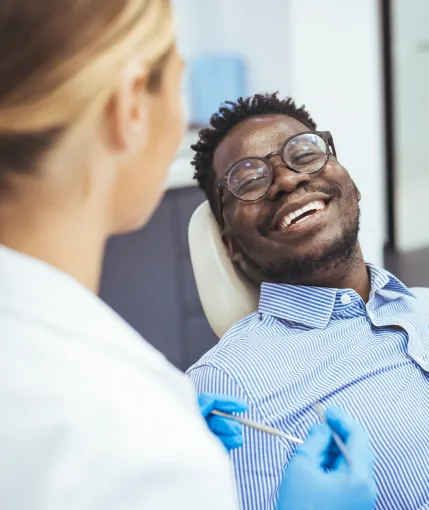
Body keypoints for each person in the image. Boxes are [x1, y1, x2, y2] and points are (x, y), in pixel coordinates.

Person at [0, 1, 374, 508]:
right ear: (131, 106)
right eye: (177, 85)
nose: (288, 178)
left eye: (304, 153)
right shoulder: (148, 446)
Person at [188, 92, 429, 509]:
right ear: (232, 246)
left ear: (350, 183)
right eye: (249, 180)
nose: (287, 179)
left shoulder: (421, 304)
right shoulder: (229, 385)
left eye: (304, 153)